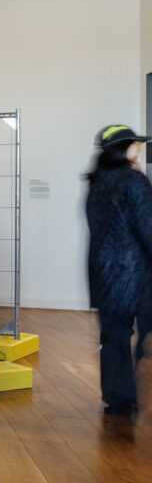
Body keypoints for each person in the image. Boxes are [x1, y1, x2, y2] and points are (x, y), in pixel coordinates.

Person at [85, 124, 152, 415]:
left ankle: (118, 399)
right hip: (135, 274)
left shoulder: (96, 183)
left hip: (104, 275)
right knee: (146, 335)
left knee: (113, 338)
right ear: (123, 150)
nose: (139, 150)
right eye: (135, 146)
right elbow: (148, 228)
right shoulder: (133, 181)